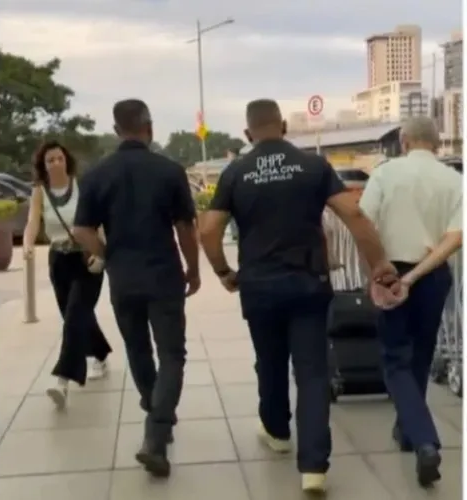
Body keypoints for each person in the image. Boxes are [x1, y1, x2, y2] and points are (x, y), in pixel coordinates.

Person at [198, 98, 398, 494]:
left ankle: (277, 432)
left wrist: (223, 271)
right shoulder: (313, 166)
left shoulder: (236, 171)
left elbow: (208, 230)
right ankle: (313, 468)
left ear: (247, 133)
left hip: (258, 284)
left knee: (269, 362)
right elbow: (354, 215)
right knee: (312, 372)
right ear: (284, 126)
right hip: (308, 282)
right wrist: (379, 264)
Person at [71, 99, 199, 478]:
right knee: (172, 354)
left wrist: (107, 254)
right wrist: (193, 268)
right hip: (164, 275)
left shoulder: (97, 175)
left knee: (138, 349)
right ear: (150, 127)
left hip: (123, 277)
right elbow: (185, 228)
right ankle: (156, 434)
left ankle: (155, 409)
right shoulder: (170, 171)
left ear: (116, 131)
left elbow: (81, 231)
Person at [357, 116, 461, 487]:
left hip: (390, 270)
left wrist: (377, 271)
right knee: (421, 352)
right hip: (433, 276)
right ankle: (406, 430)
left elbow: (363, 224)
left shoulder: (385, 174)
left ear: (403, 141)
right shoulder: (455, 180)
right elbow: (455, 238)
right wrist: (417, 275)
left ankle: (425, 440)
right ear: (437, 143)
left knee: (395, 359)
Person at [21, 140, 112, 409]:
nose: (56, 163)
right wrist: (27, 245)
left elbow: (98, 224)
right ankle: (101, 354)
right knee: (75, 316)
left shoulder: (82, 186)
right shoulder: (40, 191)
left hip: (86, 259)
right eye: (50, 160)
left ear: (67, 160)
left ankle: (63, 380)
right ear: (43, 165)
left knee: (75, 314)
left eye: (60, 158)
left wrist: (101, 254)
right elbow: (32, 221)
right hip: (59, 260)